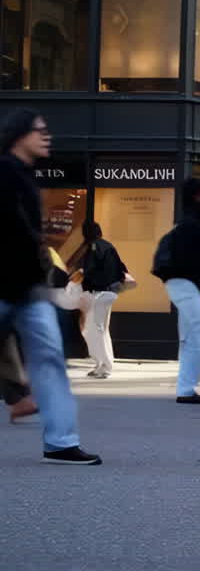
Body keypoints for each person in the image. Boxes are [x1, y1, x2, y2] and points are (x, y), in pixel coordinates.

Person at [0, 108, 99, 464]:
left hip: (28, 289)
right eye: (38, 131)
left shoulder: (26, 177)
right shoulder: (5, 174)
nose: (47, 136)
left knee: (50, 359)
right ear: (18, 135)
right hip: (9, 285)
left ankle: (61, 442)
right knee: (49, 359)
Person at [158, 178, 200, 405]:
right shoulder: (191, 223)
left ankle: (185, 389)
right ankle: (187, 387)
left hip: (182, 283)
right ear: (195, 194)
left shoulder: (192, 221)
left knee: (188, 338)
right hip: (185, 283)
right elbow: (193, 260)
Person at [78, 220, 126, 380]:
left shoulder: (94, 247)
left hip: (100, 292)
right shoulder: (107, 246)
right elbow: (121, 268)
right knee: (100, 330)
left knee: (95, 330)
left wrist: (84, 277)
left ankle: (104, 366)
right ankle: (102, 364)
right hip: (109, 292)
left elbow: (90, 272)